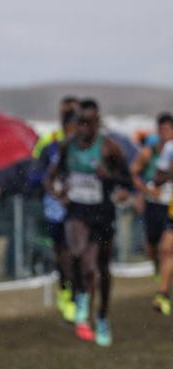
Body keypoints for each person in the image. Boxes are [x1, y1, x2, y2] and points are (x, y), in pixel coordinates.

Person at [46, 99, 130, 346]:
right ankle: (81, 295)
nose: (83, 128)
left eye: (88, 123)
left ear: (97, 123)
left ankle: (102, 315)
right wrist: (58, 194)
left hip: (103, 214)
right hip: (77, 211)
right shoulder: (66, 148)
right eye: (79, 122)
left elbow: (126, 180)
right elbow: (49, 178)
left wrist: (112, 180)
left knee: (102, 269)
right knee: (78, 254)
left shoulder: (110, 149)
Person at [35, 110, 79, 321]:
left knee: (77, 252)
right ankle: (65, 290)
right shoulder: (50, 148)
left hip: (79, 209)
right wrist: (54, 189)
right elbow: (37, 175)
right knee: (62, 253)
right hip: (55, 210)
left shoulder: (83, 149)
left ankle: (76, 294)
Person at [130, 113, 173, 284]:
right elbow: (133, 173)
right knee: (151, 244)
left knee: (167, 246)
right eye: (161, 129)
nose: (165, 133)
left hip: (169, 206)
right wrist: (145, 191)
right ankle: (157, 265)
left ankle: (163, 283)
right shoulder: (149, 152)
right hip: (152, 204)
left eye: (168, 129)